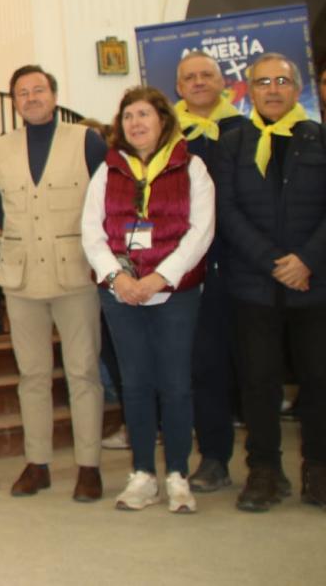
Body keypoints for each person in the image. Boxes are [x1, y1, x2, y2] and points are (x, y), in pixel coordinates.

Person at [81, 86, 212, 514]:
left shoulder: (191, 167)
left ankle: (176, 474)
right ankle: (142, 474)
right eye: (128, 116)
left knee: (174, 384)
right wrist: (118, 279)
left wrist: (158, 279)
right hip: (121, 294)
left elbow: (201, 231)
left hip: (174, 294)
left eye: (144, 115)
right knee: (134, 385)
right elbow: (92, 232)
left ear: (163, 120)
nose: (135, 123)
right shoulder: (108, 170)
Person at [0, 65, 107, 501]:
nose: (31, 97)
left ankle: (89, 466)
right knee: (32, 375)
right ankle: (37, 463)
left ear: (54, 96)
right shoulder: (2, 147)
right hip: (21, 279)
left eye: (39, 90)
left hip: (74, 274)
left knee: (83, 372)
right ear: (15, 101)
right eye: (22, 92)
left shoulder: (87, 141)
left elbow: (105, 200)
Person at [213, 52, 326, 512]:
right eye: (263, 82)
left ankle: (317, 469)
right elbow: (227, 211)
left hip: (313, 284)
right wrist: (273, 261)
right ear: (249, 91)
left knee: (319, 381)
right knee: (258, 382)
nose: (273, 89)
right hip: (253, 285)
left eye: (282, 81)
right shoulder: (233, 143)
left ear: (296, 89)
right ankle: (264, 471)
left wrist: (306, 260)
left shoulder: (319, 139)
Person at [174, 51, 246, 493]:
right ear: (179, 88)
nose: (198, 82)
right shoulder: (167, 136)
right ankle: (214, 457)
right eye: (189, 78)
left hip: (242, 263)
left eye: (206, 75)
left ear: (223, 83)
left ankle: (265, 463)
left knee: (253, 366)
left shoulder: (244, 130)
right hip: (187, 269)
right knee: (206, 365)